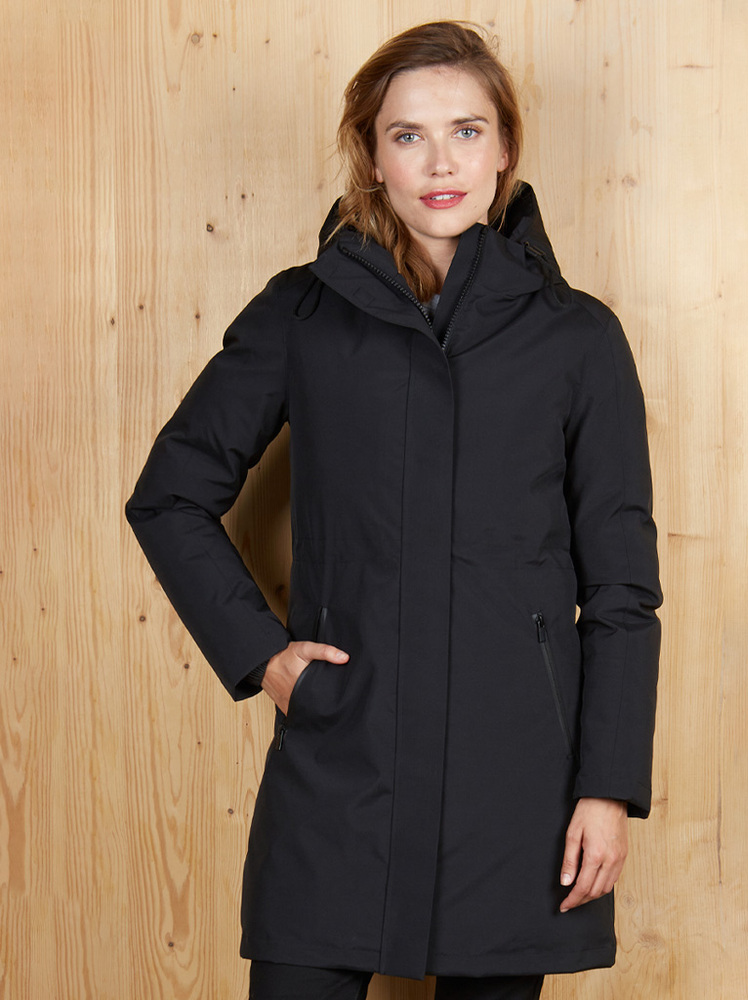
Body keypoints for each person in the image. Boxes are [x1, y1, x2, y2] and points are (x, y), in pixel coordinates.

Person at [125, 20, 663, 1000]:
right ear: (372, 157)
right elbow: (171, 493)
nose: (439, 162)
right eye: (408, 135)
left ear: (504, 148)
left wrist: (605, 787)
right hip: (344, 758)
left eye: (466, 131)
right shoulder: (303, 314)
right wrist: (263, 657)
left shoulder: (577, 339)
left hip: (517, 789)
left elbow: (622, 590)